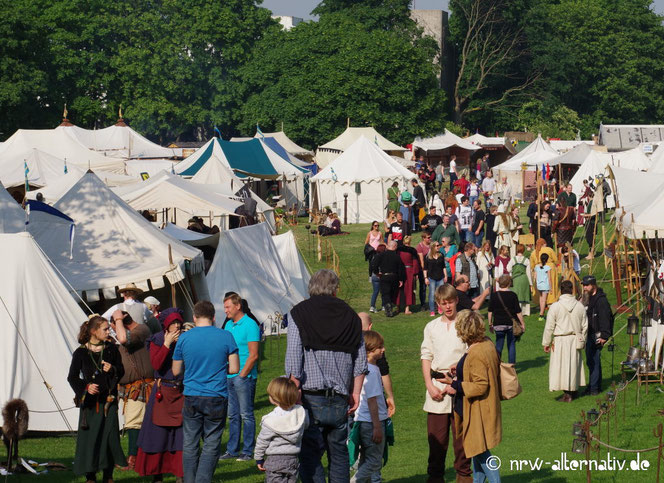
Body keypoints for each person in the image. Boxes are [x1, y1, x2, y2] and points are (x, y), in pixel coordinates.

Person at [285, 269, 367, 483]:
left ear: (311, 286)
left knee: (310, 455)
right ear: (334, 289)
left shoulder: (298, 313)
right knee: (339, 455)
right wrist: (356, 392)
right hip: (340, 395)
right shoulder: (351, 315)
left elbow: (294, 355)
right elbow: (360, 360)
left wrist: (294, 390)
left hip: (310, 396)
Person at [172, 301, 240, 483]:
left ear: (194, 318)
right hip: (216, 395)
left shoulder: (184, 338)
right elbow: (234, 368)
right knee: (211, 442)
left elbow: (176, 371)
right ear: (214, 317)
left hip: (192, 394)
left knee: (190, 443)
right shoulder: (226, 336)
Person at [443, 310, 502, 483]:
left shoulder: (476, 353)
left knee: (481, 451)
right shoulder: (486, 343)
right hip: (482, 407)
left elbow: (480, 385)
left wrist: (455, 384)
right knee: (476, 450)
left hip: (478, 410)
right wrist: (461, 367)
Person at [420, 284, 472, 483]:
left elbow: (472, 353)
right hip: (437, 389)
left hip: (460, 387)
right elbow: (426, 356)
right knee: (437, 440)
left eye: (450, 302)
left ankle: (464, 476)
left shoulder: (465, 322)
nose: (447, 307)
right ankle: (435, 478)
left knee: (462, 439)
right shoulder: (431, 327)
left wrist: (458, 375)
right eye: (443, 303)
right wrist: (430, 385)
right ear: (438, 304)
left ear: (456, 300)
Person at [68, 316, 126, 483]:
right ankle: (90, 476)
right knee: (91, 439)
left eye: (109, 328)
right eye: (105, 329)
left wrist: (113, 368)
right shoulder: (80, 352)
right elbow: (72, 377)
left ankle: (108, 476)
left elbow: (121, 371)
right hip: (91, 405)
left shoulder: (111, 349)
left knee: (109, 437)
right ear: (93, 331)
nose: (109, 331)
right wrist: (86, 387)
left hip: (109, 402)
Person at [135, 308, 185, 482]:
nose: (177, 325)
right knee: (158, 435)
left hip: (181, 392)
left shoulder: (186, 338)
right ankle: (157, 475)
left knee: (180, 436)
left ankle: (181, 475)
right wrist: (166, 344)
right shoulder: (157, 339)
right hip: (162, 393)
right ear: (166, 324)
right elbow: (156, 364)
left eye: (178, 322)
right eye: (173, 323)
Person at [111, 310, 154, 471]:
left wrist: (118, 319)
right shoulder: (128, 336)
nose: (114, 330)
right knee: (133, 422)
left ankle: (133, 458)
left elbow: (123, 338)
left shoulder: (141, 330)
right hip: (128, 388)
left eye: (115, 326)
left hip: (140, 387)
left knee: (134, 423)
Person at [220, 294, 261, 462]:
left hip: (244, 376)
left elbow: (254, 355)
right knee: (233, 415)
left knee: (246, 414)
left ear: (237, 306)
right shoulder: (228, 325)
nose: (225, 310)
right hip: (229, 375)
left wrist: (242, 374)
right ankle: (232, 449)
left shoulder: (250, 325)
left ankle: (248, 450)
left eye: (228, 307)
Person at [254, 377, 308, 483]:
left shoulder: (270, 420)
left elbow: (262, 441)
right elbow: (306, 425)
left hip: (274, 461)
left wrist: (259, 457)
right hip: (293, 460)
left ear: (273, 398)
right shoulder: (300, 414)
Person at [352, 331, 390, 483]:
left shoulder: (361, 368)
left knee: (365, 459)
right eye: (379, 347)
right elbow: (372, 400)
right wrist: (377, 426)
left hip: (361, 420)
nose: (383, 350)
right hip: (372, 421)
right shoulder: (372, 371)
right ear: (369, 350)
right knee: (374, 461)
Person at [543, 280, 588, 402]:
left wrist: (546, 343)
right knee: (573, 365)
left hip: (561, 339)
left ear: (561, 290)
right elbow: (585, 326)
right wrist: (582, 339)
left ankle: (568, 394)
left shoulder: (555, 306)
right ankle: (572, 391)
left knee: (561, 366)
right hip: (574, 339)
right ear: (572, 290)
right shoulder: (580, 306)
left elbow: (549, 327)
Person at [358, 312, 396, 417]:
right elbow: (384, 372)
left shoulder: (348, 342)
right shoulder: (375, 347)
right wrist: (390, 396)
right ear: (370, 326)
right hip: (373, 406)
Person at [582, 275, 613, 396]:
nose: (584, 287)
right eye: (584, 285)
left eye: (587, 285)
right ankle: (595, 386)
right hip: (589, 334)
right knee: (592, 361)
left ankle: (594, 388)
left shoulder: (601, 300)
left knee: (593, 361)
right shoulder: (588, 298)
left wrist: (604, 336)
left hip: (597, 335)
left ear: (593, 285)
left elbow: (606, 319)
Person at [488, 274, 525, 364]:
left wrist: (490, 324)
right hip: (510, 324)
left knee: (499, 345)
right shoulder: (513, 295)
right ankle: (511, 366)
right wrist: (522, 323)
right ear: (509, 283)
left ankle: (496, 366)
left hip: (498, 324)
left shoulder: (494, 295)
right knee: (511, 345)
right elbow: (518, 311)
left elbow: (490, 311)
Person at [372, 241, 406, 317]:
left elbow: (374, 265)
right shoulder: (397, 257)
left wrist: (377, 273)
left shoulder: (381, 255)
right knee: (392, 293)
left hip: (384, 276)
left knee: (385, 293)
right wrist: (401, 279)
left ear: (388, 246)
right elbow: (401, 269)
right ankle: (389, 305)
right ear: (395, 247)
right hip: (394, 277)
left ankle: (388, 308)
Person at [530, 238, 559, 306]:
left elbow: (532, 265)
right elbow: (555, 259)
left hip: (539, 269)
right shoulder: (549, 249)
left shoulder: (533, 252)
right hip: (550, 268)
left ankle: (540, 302)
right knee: (551, 284)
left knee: (540, 285)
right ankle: (550, 301)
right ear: (544, 243)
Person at [507, 244, 533, 316]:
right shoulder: (526, 260)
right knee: (524, 294)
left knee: (516, 295)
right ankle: (525, 312)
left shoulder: (513, 259)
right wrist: (531, 284)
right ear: (523, 250)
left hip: (516, 279)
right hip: (524, 279)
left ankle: (515, 310)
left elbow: (508, 268)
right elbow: (528, 273)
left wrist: (513, 272)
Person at [397, 235, 420, 315]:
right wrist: (415, 273)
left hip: (400, 271)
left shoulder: (399, 250)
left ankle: (398, 307)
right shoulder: (412, 251)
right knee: (409, 290)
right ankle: (407, 309)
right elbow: (415, 262)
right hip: (409, 271)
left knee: (399, 289)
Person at [424, 242, 448, 317]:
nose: (438, 247)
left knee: (440, 294)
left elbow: (443, 267)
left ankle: (440, 307)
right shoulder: (428, 257)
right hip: (432, 278)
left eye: (439, 245)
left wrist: (445, 276)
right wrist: (425, 278)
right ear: (433, 247)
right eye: (437, 246)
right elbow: (425, 269)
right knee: (432, 294)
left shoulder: (441, 255)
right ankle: (432, 310)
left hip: (440, 277)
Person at [416, 232, 433, 311]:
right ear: (424, 238)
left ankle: (431, 303)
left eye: (430, 237)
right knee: (423, 287)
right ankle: (423, 304)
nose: (430, 239)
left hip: (432, 269)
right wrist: (424, 271)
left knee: (432, 288)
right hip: (423, 270)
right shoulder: (420, 247)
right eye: (428, 237)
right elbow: (421, 260)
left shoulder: (431, 246)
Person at [535, 253, 553, 322]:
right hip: (545, 285)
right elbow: (549, 278)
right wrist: (551, 288)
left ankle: (541, 312)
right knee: (544, 300)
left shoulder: (537, 267)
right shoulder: (547, 267)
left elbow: (535, 277)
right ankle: (541, 314)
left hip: (539, 285)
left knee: (541, 299)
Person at [369, 244, 386, 313]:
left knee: (375, 292)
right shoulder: (383, 257)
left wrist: (370, 276)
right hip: (381, 275)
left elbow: (370, 267)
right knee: (383, 292)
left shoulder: (374, 257)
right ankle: (383, 306)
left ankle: (372, 306)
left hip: (374, 276)